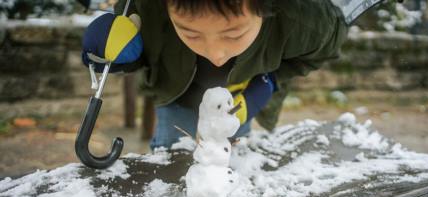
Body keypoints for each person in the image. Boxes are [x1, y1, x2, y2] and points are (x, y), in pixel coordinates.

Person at [82, 0, 348, 149]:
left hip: (241, 97)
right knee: (172, 156)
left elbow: (322, 51)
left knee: (228, 156)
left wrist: (269, 81)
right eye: (190, 33)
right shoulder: (144, 6)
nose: (216, 54)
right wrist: (118, 57)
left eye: (233, 34)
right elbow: (141, 50)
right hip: (176, 96)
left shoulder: (304, 19)